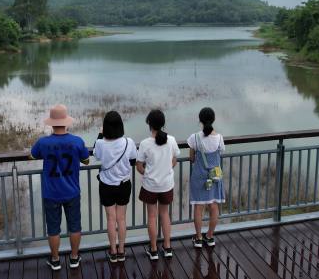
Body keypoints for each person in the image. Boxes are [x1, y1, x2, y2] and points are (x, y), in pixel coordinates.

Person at [29, 104, 90, 271]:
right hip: (72, 191)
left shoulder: (43, 142)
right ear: (66, 122)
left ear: (51, 123)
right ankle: (74, 258)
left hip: (51, 193)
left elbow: (32, 154)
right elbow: (86, 160)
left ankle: (55, 260)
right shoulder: (77, 141)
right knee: (75, 226)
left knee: (54, 229)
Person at [93, 111, 137, 263]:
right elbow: (132, 160)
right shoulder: (128, 142)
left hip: (106, 185)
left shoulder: (100, 143)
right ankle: (122, 251)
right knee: (122, 219)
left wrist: (100, 135)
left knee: (111, 219)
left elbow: (96, 155)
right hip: (124, 184)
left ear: (105, 127)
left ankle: (112, 251)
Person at [136, 109, 180, 260]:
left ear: (149, 124)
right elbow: (175, 158)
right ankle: (167, 247)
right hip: (166, 185)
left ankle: (153, 249)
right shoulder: (172, 140)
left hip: (150, 186)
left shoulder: (145, 144)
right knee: (165, 215)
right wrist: (167, 168)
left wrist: (147, 173)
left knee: (152, 216)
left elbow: (139, 165)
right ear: (163, 124)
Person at [188, 107, 225, 248]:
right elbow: (220, 153)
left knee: (199, 207)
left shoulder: (194, 138)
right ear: (213, 119)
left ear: (200, 120)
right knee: (214, 206)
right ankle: (210, 236)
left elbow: (191, 158)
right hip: (214, 177)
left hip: (199, 177)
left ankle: (198, 238)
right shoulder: (219, 138)